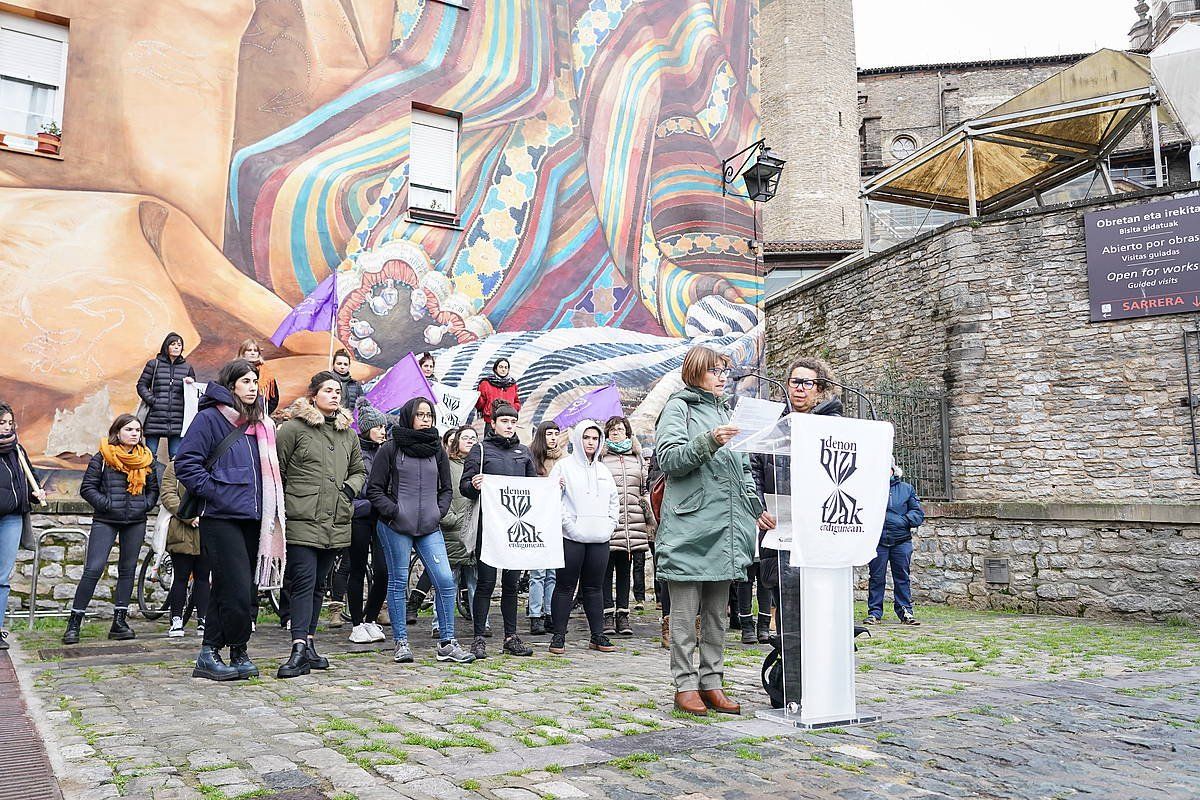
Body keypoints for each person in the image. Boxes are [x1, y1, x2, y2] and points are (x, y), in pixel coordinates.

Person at [655, 346, 765, 717]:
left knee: (718, 614)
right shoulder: (679, 407)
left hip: (728, 528)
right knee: (685, 615)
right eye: (715, 371)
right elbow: (669, 459)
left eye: (725, 372)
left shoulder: (726, 412)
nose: (722, 378)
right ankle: (685, 686)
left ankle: (712, 682)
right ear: (695, 373)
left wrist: (755, 508)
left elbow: (744, 467)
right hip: (691, 526)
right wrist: (709, 441)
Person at [176, 359, 287, 682]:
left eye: (255, 381)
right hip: (222, 516)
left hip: (255, 517)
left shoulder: (262, 423)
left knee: (236, 589)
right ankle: (232, 647)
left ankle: (217, 653)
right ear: (231, 385)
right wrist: (217, 493)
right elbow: (186, 463)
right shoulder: (210, 418)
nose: (253, 387)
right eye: (246, 381)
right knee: (236, 588)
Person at [366, 397, 475, 664]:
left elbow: (446, 488)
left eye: (429, 415)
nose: (426, 419)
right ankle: (401, 642)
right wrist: (394, 510)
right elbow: (374, 489)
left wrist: (437, 511)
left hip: (429, 525)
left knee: (445, 581)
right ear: (408, 417)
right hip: (395, 526)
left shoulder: (436, 450)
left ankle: (447, 643)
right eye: (420, 415)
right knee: (399, 581)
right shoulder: (390, 449)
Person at [275, 371, 367, 678]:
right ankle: (297, 647)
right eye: (328, 390)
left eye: (338, 391)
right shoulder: (292, 429)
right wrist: (298, 498)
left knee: (318, 585)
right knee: (302, 581)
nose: (335, 395)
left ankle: (310, 644)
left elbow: (358, 470)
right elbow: (279, 471)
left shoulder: (348, 434)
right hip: (303, 517)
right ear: (314, 394)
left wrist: (347, 491)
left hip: (336, 519)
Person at [752, 355, 842, 631]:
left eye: (807, 383)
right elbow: (753, 467)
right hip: (779, 524)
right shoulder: (772, 423)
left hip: (819, 526)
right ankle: (787, 663)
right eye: (795, 382)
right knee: (783, 596)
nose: (800, 388)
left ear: (820, 388)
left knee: (817, 604)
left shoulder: (834, 424)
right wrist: (757, 506)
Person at [64, 414, 160, 644]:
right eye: (129, 429)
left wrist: (144, 506)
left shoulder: (147, 459)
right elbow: (87, 488)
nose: (135, 434)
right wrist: (107, 504)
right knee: (93, 568)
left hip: (135, 521)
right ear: (117, 432)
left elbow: (153, 490)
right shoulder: (103, 457)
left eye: (137, 430)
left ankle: (120, 622)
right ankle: (74, 622)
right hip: (106, 520)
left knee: (127, 570)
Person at [460, 402, 535, 659]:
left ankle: (511, 637)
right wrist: (473, 483)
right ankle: (479, 637)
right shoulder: (480, 450)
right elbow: (464, 488)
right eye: (504, 421)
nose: (509, 426)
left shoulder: (523, 452)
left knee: (512, 585)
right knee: (486, 583)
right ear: (493, 423)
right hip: (488, 528)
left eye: (513, 422)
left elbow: (534, 490)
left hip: (514, 529)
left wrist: (552, 488)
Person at [547, 421, 619, 655]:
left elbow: (613, 502)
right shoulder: (563, 467)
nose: (590, 442)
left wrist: (609, 526)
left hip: (599, 538)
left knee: (594, 588)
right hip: (572, 538)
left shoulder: (604, 470)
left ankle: (597, 635)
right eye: (586, 438)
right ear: (578, 439)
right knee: (565, 587)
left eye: (595, 438)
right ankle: (559, 636)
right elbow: (554, 499)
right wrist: (570, 527)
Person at [600, 416, 652, 637]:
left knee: (624, 570)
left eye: (620, 429)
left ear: (627, 433)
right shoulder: (601, 459)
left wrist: (647, 514)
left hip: (633, 523)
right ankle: (607, 614)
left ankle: (623, 614)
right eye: (611, 430)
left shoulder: (637, 458)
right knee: (604, 571)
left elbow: (644, 489)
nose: (615, 433)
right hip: (608, 522)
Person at [0, 403, 45, 650]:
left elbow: (29, 481)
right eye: (1, 423)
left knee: (2, 577)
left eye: (10, 423)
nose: (7, 428)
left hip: (12, 518)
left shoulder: (17, 450)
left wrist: (35, 493)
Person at [346, 400, 391, 644]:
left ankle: (370, 618)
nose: (383, 431)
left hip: (382, 519)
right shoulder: (355, 452)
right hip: (360, 517)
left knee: (384, 571)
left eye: (384, 427)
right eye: (378, 427)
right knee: (357, 569)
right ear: (366, 428)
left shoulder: (387, 451)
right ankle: (355, 623)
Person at [866, 463, 925, 626]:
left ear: (893, 469)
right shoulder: (870, 489)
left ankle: (905, 611)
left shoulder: (906, 489)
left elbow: (918, 513)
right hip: (878, 541)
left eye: (888, 467)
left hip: (901, 541)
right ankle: (874, 613)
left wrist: (903, 520)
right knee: (876, 578)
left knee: (902, 577)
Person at [160, 460, 211, 638]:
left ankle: (203, 619)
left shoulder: (213, 462)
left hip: (207, 529)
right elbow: (168, 495)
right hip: (182, 530)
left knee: (203, 577)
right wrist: (188, 516)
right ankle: (176, 619)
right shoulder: (174, 466)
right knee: (180, 577)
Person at [527, 420, 566, 635]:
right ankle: (535, 615)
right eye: (549, 433)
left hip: (557, 521)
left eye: (556, 433)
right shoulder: (532, 459)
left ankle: (551, 613)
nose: (553, 437)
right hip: (537, 520)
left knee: (553, 572)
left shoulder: (565, 460)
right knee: (538, 572)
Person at [441, 425, 479, 635]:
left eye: (474, 437)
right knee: (448, 581)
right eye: (466, 437)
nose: (470, 441)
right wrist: (450, 520)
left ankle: (479, 622)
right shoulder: (446, 465)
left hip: (474, 532)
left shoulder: (481, 466)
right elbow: (440, 495)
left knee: (475, 581)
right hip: (452, 530)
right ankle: (441, 623)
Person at [137, 332, 196, 464]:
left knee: (176, 458)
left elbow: (192, 393)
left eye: (179, 344)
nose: (176, 347)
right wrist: (153, 401)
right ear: (166, 347)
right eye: (173, 344)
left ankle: (171, 485)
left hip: (177, 419)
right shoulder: (154, 364)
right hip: (155, 417)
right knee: (149, 456)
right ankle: (149, 484)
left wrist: (190, 383)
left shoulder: (187, 368)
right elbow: (141, 385)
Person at [475, 358, 520, 434]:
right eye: (501, 367)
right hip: (491, 421)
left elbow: (516, 401)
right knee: (490, 445)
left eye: (506, 367)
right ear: (495, 369)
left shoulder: (512, 384)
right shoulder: (486, 383)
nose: (503, 369)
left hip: (508, 420)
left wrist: (513, 408)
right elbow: (480, 403)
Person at [238, 338, 280, 415]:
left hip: (259, 415)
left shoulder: (266, 372)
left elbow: (274, 399)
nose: (252, 353)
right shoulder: (234, 369)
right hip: (238, 413)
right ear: (243, 353)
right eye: (249, 350)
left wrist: (263, 413)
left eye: (255, 350)